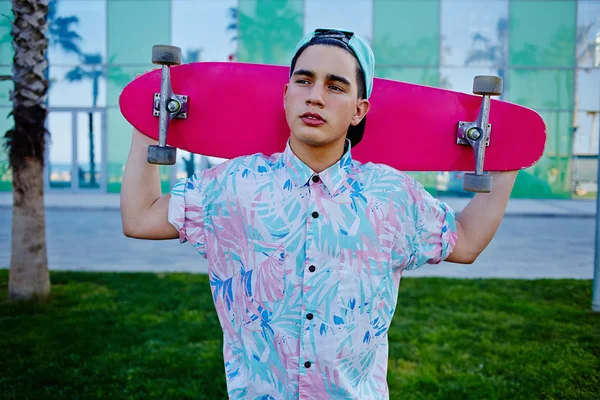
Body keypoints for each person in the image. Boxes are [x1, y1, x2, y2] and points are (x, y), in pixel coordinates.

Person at [120, 28, 517, 399]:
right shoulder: (233, 184)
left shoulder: (392, 195)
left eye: (335, 86)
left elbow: (464, 242)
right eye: (304, 81)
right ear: (286, 95)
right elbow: (140, 218)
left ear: (359, 110)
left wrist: (510, 154)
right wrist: (147, 116)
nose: (315, 96)